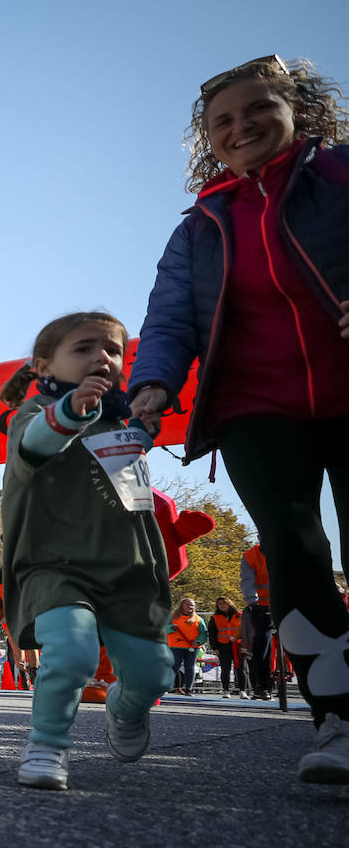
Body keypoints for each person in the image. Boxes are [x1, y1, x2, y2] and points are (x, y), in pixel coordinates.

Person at [129, 54, 349, 783]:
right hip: (256, 405)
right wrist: (154, 381)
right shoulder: (202, 224)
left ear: (297, 112)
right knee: (293, 547)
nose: (241, 127)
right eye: (223, 121)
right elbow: (166, 319)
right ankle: (339, 724)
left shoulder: (341, 176)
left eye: (258, 109)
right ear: (209, 139)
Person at [1, 311, 173, 791]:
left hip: (128, 567)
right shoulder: (35, 415)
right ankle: (48, 743)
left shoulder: (121, 418)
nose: (102, 357)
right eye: (83, 348)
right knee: (71, 653)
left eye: (113, 350)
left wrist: (143, 430)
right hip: (55, 564)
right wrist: (73, 412)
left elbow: (124, 474)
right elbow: (36, 447)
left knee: (155, 674)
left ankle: (125, 705)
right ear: (43, 366)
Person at [239, 540, 275, 700]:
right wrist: (252, 602)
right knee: (262, 643)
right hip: (262, 606)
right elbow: (248, 581)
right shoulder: (251, 556)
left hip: (287, 604)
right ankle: (262, 685)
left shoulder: (288, 549)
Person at [208, 596, 247, 698]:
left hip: (238, 645)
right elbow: (212, 633)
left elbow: (245, 631)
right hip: (223, 645)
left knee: (241, 668)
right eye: (219, 604)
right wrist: (214, 647)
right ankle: (226, 690)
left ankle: (242, 690)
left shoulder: (240, 615)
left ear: (229, 603)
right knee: (225, 669)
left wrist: (245, 645)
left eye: (224, 603)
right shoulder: (215, 617)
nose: (222, 605)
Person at [167, 598, 207, 695]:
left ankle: (188, 689)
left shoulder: (198, 619)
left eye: (192, 605)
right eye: (188, 605)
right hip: (175, 646)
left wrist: (199, 641)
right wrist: (171, 628)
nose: (190, 607)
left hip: (193, 647)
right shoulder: (172, 617)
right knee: (174, 666)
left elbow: (204, 633)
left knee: (190, 667)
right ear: (182, 606)